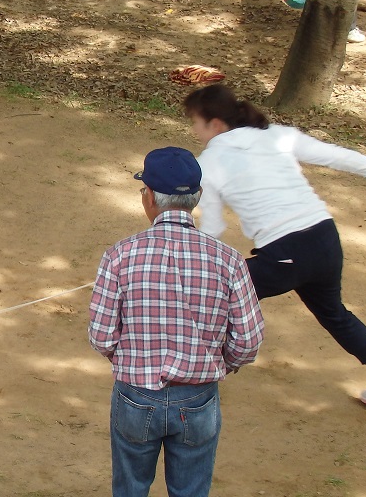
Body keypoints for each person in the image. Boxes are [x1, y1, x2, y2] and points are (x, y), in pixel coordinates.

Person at [183, 84, 366, 406]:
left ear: (215, 124)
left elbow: (213, 227)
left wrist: (189, 258)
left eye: (195, 121)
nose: (194, 130)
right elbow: (336, 156)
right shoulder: (276, 135)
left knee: (212, 294)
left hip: (285, 253)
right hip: (324, 238)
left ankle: (189, 373)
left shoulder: (208, 162)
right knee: (335, 314)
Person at [88, 147, 265, 497]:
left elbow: (101, 336)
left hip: (135, 394)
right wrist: (219, 364)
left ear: (150, 198)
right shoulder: (229, 260)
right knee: (190, 490)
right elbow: (247, 341)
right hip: (198, 397)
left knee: (130, 488)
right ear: (196, 198)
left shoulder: (120, 255)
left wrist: (129, 359)